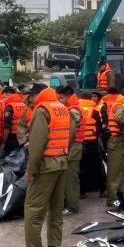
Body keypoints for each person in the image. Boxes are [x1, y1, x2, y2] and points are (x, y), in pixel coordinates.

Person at [18, 87, 72, 247]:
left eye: (32, 96)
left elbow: (38, 144)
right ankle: (55, 244)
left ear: (39, 95)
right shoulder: (63, 109)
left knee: (33, 206)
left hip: (45, 166)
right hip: (62, 162)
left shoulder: (42, 111)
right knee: (56, 207)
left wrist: (31, 170)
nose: (31, 100)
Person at [56, 86, 83, 215]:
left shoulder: (73, 111)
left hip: (72, 148)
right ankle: (69, 204)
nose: (60, 100)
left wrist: (63, 147)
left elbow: (70, 134)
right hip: (73, 147)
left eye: (61, 97)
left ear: (67, 96)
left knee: (70, 179)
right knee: (69, 177)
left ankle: (72, 206)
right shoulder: (73, 108)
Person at [78, 93, 106, 199]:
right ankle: (102, 191)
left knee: (82, 167)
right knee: (98, 167)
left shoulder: (77, 110)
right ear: (90, 99)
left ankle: (82, 192)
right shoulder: (94, 111)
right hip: (93, 142)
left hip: (80, 142)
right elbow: (99, 126)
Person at [2, 87, 27, 153]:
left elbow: (7, 126)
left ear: (8, 94)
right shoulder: (24, 105)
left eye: (4, 94)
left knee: (10, 156)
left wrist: (3, 141)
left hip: (13, 136)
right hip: (23, 135)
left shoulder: (9, 107)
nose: (3, 96)